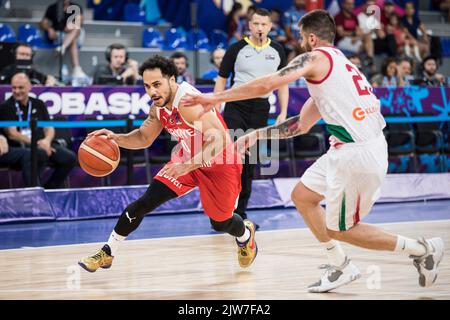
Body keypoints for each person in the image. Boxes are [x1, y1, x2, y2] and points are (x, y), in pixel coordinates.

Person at [181, 9, 444, 293]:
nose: (299, 43)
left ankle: (421, 249)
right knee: (303, 197)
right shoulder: (339, 67)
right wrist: (257, 134)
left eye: (301, 37)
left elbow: (269, 83)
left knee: (341, 229)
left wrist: (215, 97)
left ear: (312, 37)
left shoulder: (316, 58)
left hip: (358, 153)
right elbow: (301, 125)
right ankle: (341, 265)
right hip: (346, 149)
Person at [78, 55, 257, 272]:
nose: (152, 92)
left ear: (172, 80)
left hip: (220, 164)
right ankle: (107, 253)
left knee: (220, 222)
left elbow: (219, 139)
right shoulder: (158, 106)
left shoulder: (188, 103)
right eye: (146, 86)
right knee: (145, 202)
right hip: (187, 159)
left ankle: (245, 235)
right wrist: (115, 138)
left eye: (156, 84)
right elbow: (144, 137)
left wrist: (188, 165)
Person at [214, 8, 289, 226]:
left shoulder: (277, 50)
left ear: (270, 26)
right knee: (229, 158)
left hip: (261, 108)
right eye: (256, 24)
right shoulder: (236, 49)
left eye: (264, 24)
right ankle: (221, 213)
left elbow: (283, 83)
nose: (259, 28)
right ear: (249, 25)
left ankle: (240, 214)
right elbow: (221, 79)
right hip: (235, 106)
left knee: (249, 160)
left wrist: (283, 112)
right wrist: (218, 106)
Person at [0, 73, 77, 189]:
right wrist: (36, 144)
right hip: (21, 146)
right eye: (14, 88)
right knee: (38, 153)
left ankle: (50, 189)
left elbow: (49, 128)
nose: (17, 91)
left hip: (43, 144)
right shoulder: (6, 106)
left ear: (29, 87)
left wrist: (46, 141)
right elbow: (12, 134)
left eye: (20, 87)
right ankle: (35, 194)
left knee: (69, 157)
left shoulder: (39, 104)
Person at [40, 0, 87, 78]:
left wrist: (73, 24)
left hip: (76, 34)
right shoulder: (52, 8)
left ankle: (62, 47)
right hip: (59, 36)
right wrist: (49, 29)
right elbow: (43, 22)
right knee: (73, 40)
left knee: (75, 30)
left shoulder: (75, 7)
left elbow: (81, 21)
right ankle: (76, 68)